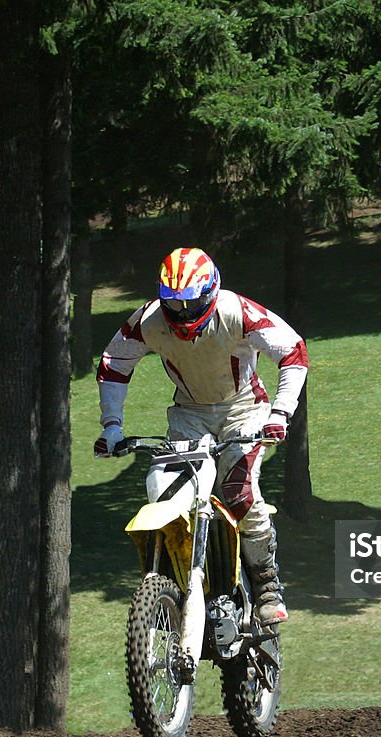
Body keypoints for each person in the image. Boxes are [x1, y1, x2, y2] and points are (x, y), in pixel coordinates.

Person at [94, 246, 308, 625]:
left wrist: (280, 413)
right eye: (173, 305)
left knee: (239, 492)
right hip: (188, 415)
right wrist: (112, 427)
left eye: (191, 304)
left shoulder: (237, 312)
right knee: (168, 494)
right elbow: (114, 363)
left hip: (244, 410)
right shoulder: (149, 319)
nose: (182, 314)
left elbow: (293, 351)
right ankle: (178, 584)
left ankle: (266, 585)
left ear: (211, 292)